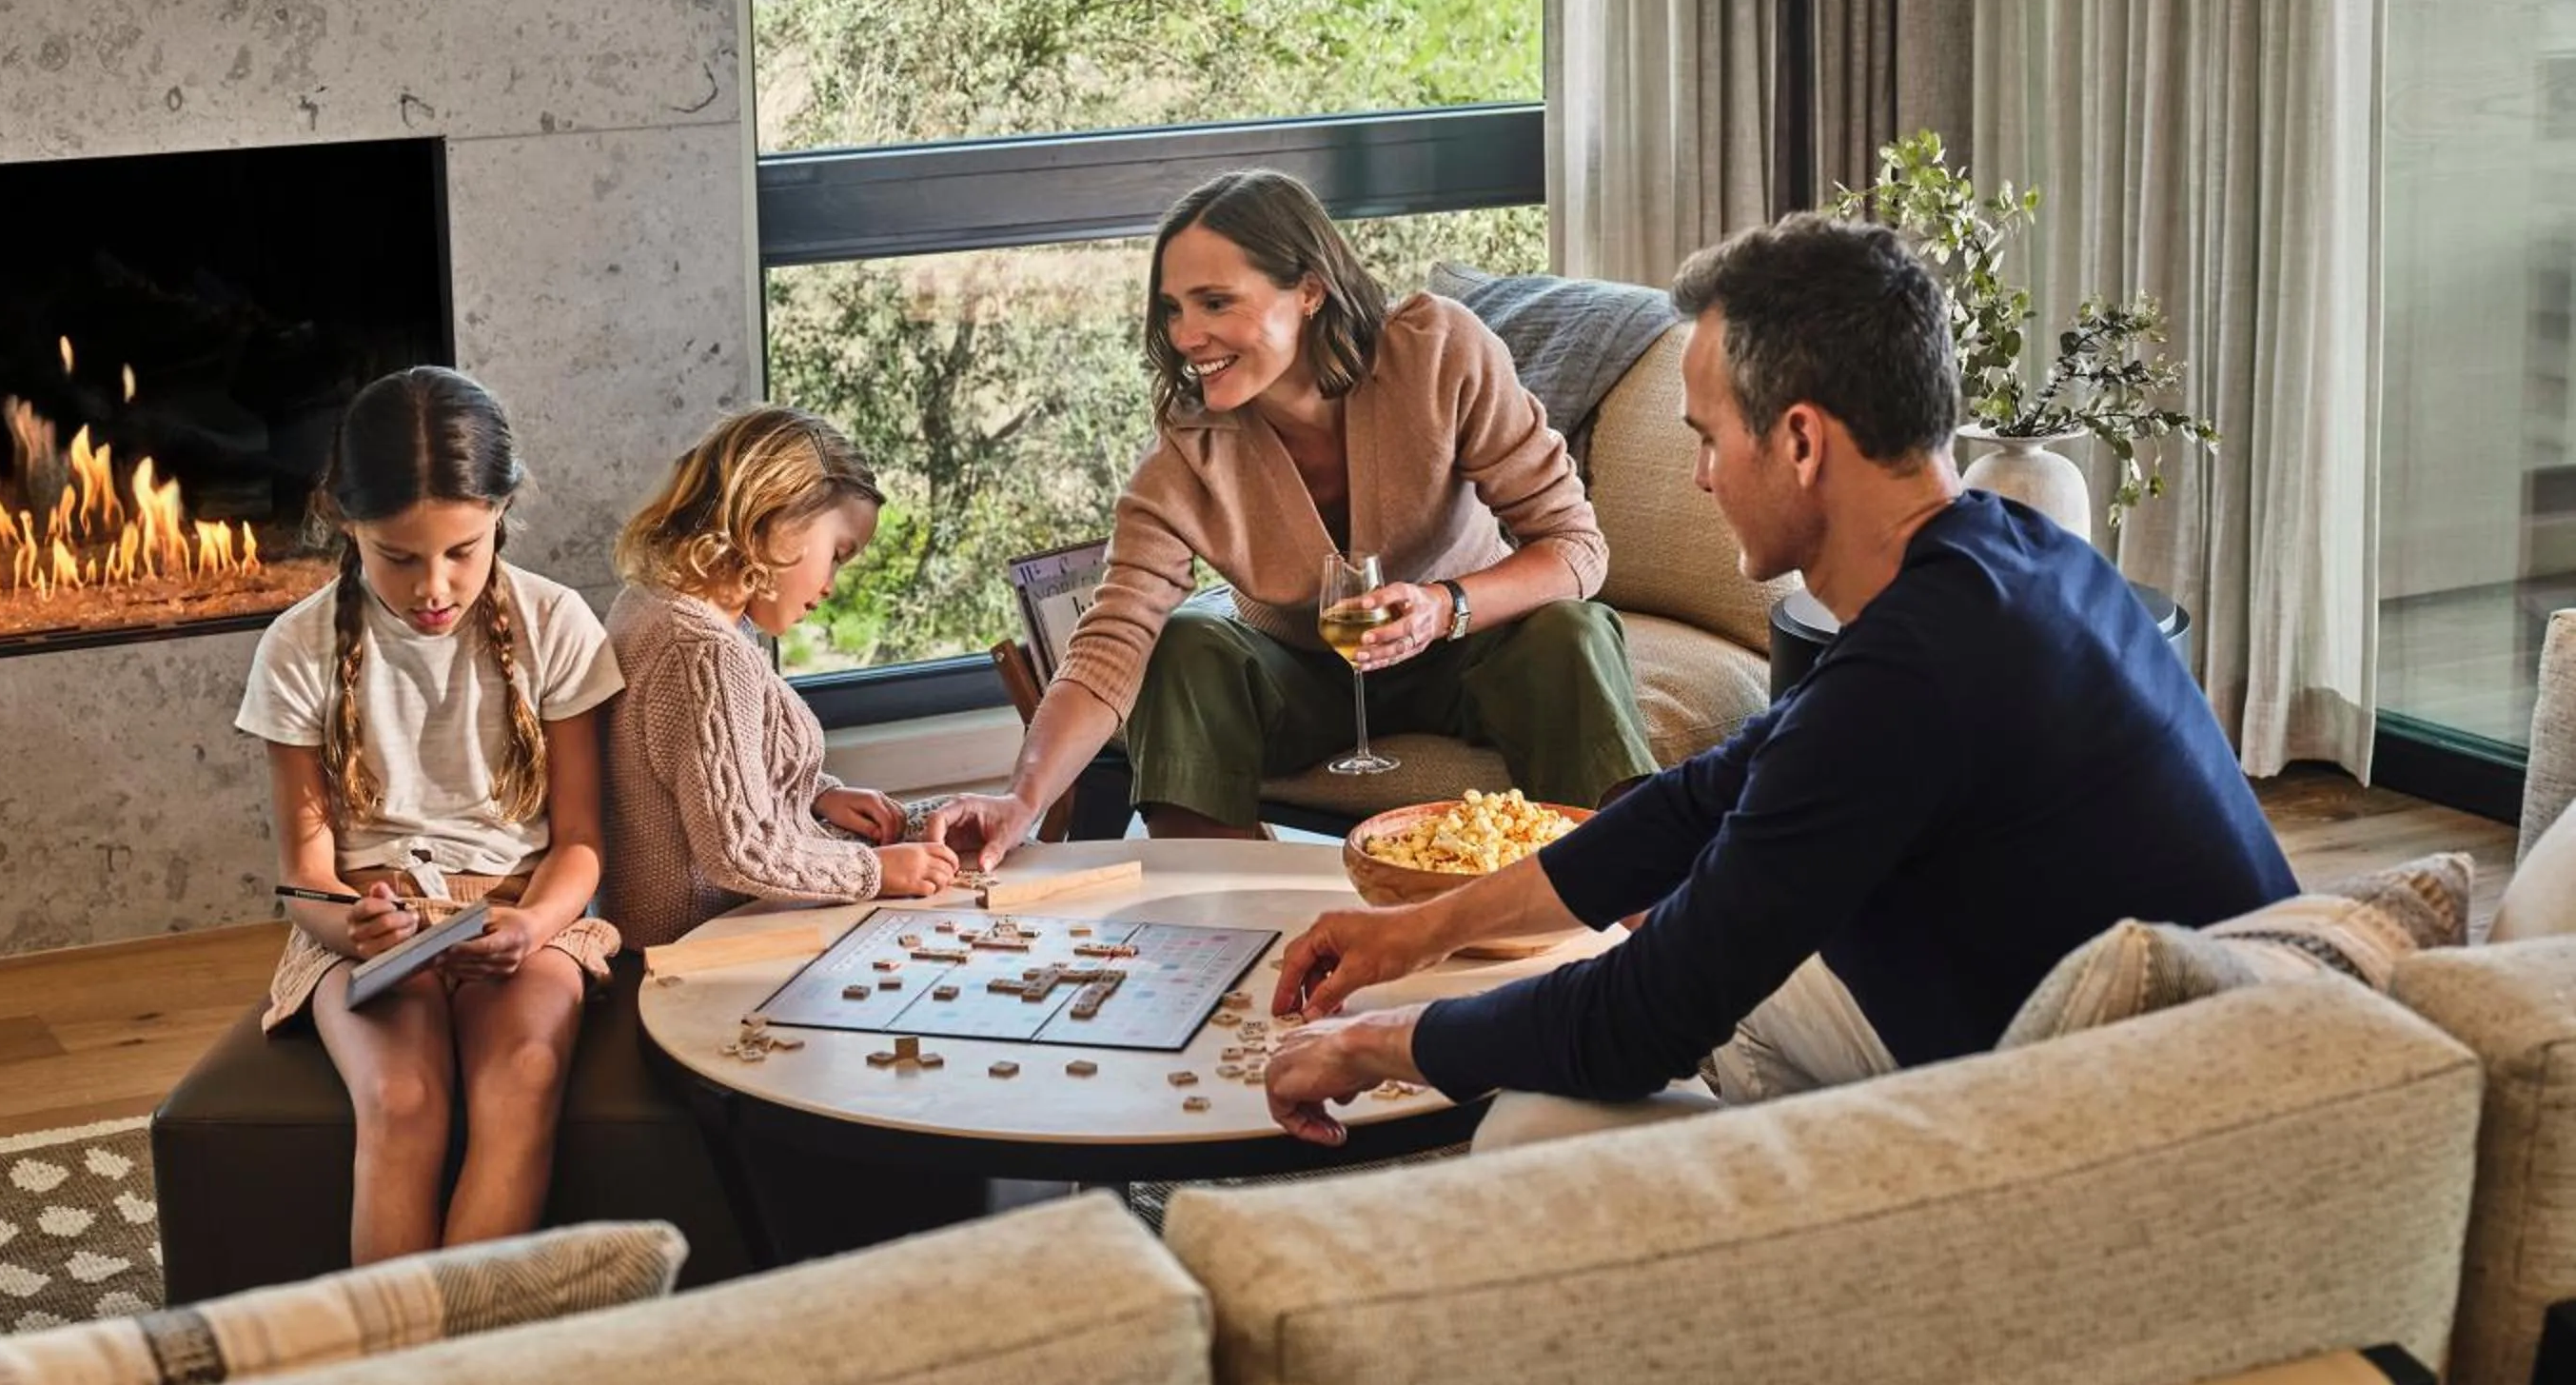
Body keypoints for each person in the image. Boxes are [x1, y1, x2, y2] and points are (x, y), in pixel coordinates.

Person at [1262, 213, 2298, 1147]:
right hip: (2151, 1036)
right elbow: (1699, 801)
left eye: (1709, 438)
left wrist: (1374, 1048)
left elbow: (1636, 1023)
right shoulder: (2013, 555)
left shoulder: (1912, 680)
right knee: (1693, 964)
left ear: (1799, 440)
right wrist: (1411, 934)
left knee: (1543, 1125)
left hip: (2126, 1134)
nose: (1704, 475)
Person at [926, 169, 1655, 867]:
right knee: (1183, 648)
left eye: (1215, 303)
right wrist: (1021, 800)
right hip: (1305, 683)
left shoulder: (1438, 353)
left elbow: (1576, 548)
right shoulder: (1187, 457)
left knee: (1573, 631)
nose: (1185, 335)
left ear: (1309, 290)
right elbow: (1112, 642)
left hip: (1471, 650)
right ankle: (1220, 914)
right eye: (1173, 309)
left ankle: (1629, 912)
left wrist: (1444, 607)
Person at [239, 366, 625, 1262]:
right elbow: (305, 873)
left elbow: (580, 844)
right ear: (345, 522)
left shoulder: (556, 624)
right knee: (402, 1101)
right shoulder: (295, 649)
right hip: (366, 930)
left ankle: (459, 1365)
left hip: (522, 912)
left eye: (463, 550)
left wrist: (532, 924)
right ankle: (401, 1380)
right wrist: (354, 925)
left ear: (502, 510)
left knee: (524, 1077)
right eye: (400, 557)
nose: (434, 587)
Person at [603, 406, 960, 948]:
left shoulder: (655, 607)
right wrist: (875, 872)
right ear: (776, 516)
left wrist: (814, 794)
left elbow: (701, 771)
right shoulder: (703, 650)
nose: (833, 585)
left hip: (711, 935)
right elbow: (741, 850)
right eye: (837, 554)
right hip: (704, 956)